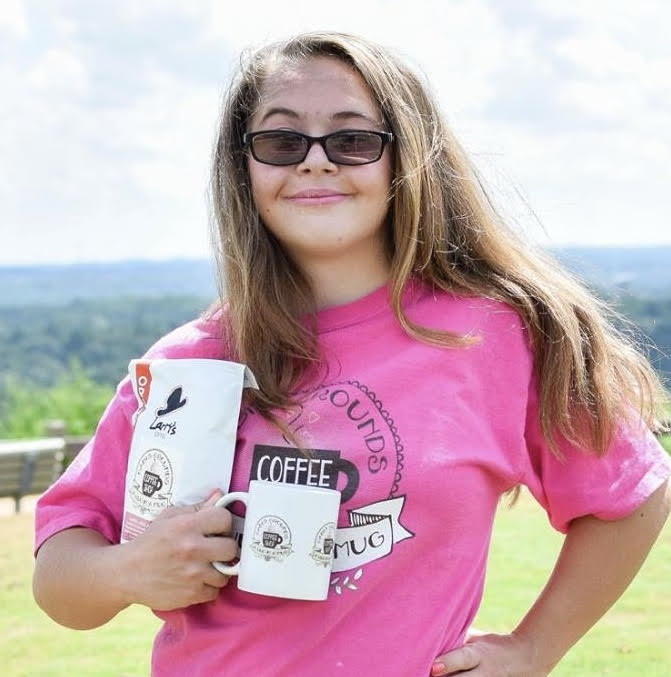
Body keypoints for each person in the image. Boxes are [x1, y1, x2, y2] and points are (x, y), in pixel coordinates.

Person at [33, 31, 671, 676]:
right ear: (243, 166)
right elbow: (59, 577)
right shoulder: (186, 367)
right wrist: (126, 570)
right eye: (282, 142)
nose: (316, 162)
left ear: (407, 156)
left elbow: (633, 495)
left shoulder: (495, 335)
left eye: (353, 140)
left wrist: (535, 648)